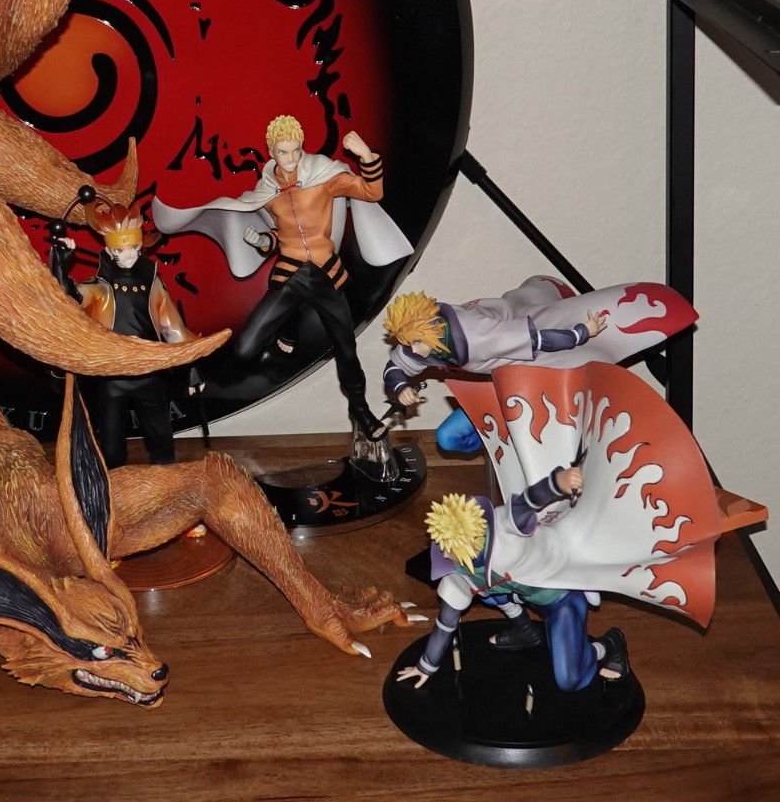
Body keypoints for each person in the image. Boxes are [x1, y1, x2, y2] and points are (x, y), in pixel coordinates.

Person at [152, 115, 412, 443]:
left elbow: (371, 192)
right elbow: (277, 235)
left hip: (326, 275)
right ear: (271, 152)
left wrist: (367, 156)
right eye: (283, 152)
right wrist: (262, 242)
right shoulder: (268, 191)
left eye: (296, 150)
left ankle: (360, 409)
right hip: (291, 275)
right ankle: (286, 323)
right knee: (245, 348)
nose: (291, 159)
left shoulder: (323, 176)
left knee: (347, 350)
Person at [380, 278, 697, 453]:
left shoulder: (479, 336)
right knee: (449, 439)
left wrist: (581, 333)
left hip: (539, 364)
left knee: (570, 439)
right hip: (504, 381)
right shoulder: (422, 342)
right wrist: (401, 386)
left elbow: (539, 339)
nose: (412, 351)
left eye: (415, 344)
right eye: (409, 344)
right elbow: (394, 367)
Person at [397, 476, 628, 693]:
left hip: (561, 596)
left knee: (570, 680)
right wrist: (426, 666)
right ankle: (524, 630)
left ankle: (609, 645)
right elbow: (446, 622)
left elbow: (528, 501)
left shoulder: (505, 530)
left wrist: (558, 481)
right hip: (522, 594)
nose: (444, 554)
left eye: (449, 547)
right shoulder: (459, 572)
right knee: (489, 592)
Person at [49, 196, 203, 468]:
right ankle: (115, 484)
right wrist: (60, 266)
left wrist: (191, 366)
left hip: (149, 373)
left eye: (133, 247)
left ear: (141, 245)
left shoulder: (153, 284)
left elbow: (172, 327)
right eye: (120, 250)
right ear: (110, 251)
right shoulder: (99, 286)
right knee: (111, 449)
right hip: (113, 377)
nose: (128, 255)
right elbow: (69, 300)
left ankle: (166, 481)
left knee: (162, 444)